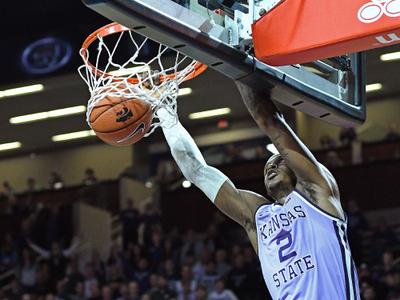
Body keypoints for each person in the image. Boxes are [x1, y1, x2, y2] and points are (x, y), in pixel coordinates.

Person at [157, 80, 360, 299]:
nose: (271, 168)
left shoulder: (317, 191)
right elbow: (197, 171)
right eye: (266, 168)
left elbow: (272, 123)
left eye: (278, 162)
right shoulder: (258, 217)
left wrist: (238, 71)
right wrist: (165, 114)